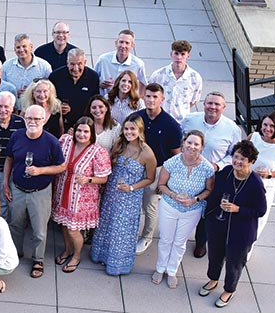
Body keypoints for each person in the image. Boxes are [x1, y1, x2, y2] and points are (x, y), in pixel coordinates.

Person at [201, 140, 267, 307]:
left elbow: (260, 210)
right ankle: (213, 279)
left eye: (243, 159)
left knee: (234, 261)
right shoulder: (227, 172)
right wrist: (209, 214)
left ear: (251, 162)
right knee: (215, 254)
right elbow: (215, 193)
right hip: (219, 223)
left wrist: (238, 209)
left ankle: (229, 290)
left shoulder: (255, 183)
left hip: (241, 230)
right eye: (236, 157)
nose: (238, 161)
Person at [3, 104, 66, 278]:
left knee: (39, 230)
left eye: (37, 119)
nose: (33, 122)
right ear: (24, 118)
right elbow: (9, 158)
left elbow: (62, 166)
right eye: (29, 118)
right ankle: (15, 253)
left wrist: (41, 171)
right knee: (15, 224)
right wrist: (6, 184)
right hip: (18, 189)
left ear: (44, 120)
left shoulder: (51, 141)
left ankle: (38, 259)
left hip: (40, 191)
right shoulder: (17, 136)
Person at [89, 117, 158, 276]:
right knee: (107, 222)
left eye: (132, 129)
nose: (129, 132)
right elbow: (110, 163)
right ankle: (101, 255)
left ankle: (117, 264)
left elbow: (150, 178)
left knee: (122, 229)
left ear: (140, 130)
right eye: (126, 129)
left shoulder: (147, 153)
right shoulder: (120, 144)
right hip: (112, 192)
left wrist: (132, 187)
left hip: (130, 197)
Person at [182, 92, 245, 258]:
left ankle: (201, 242)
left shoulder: (232, 129)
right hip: (188, 172)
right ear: (204, 104)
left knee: (207, 211)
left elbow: (234, 154)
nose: (213, 107)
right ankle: (179, 237)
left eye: (217, 104)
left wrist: (218, 165)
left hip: (213, 176)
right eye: (210, 103)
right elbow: (180, 140)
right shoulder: (190, 119)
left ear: (224, 108)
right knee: (184, 203)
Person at [154, 130, 216, 289]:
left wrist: (194, 199)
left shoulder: (207, 168)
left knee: (179, 242)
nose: (192, 146)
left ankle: (172, 270)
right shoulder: (171, 163)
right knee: (166, 239)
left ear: (202, 148)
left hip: (192, 210)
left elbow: (209, 190)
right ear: (183, 143)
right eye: (189, 142)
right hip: (169, 206)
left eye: (196, 144)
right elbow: (161, 185)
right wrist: (173, 195)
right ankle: (160, 268)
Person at [51, 118, 112, 273]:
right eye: (79, 130)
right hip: (62, 191)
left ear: (91, 134)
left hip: (81, 198)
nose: (82, 134)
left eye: (86, 131)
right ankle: (67, 250)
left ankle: (77, 256)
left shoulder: (98, 151)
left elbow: (104, 177)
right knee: (64, 225)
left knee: (73, 229)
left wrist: (88, 179)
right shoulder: (65, 141)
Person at [135, 83, 182, 255]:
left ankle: (146, 237)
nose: (151, 100)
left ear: (162, 99)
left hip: (157, 170)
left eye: (155, 97)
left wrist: (166, 180)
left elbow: (177, 157)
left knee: (149, 205)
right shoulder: (136, 118)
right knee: (132, 203)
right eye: (148, 96)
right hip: (136, 167)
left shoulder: (172, 126)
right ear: (143, 97)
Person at [148, 40, 203, 121]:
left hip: (182, 122)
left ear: (188, 56)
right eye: (176, 53)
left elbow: (193, 100)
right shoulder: (158, 75)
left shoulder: (195, 78)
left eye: (183, 54)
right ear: (171, 54)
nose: (179, 57)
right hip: (158, 119)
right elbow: (148, 95)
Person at [49, 49, 100, 130]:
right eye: (72, 64)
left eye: (79, 64)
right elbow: (49, 99)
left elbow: (94, 102)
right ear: (67, 63)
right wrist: (58, 106)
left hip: (83, 125)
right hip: (60, 124)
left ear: (85, 62)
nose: (76, 69)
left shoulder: (93, 77)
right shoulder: (56, 76)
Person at [2, 34, 52, 99]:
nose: (21, 50)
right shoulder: (6, 66)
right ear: (14, 49)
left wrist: (31, 93)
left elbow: (50, 89)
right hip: (13, 107)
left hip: (36, 107)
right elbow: (1, 87)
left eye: (24, 46)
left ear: (31, 47)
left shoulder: (44, 66)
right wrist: (14, 92)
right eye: (18, 47)